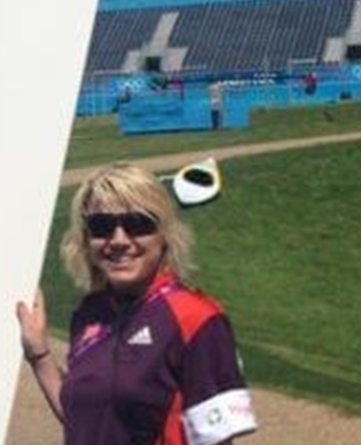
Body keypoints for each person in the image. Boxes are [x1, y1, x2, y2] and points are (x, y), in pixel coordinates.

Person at [16, 165, 257, 445]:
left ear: (164, 234)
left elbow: (217, 438)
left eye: (138, 224)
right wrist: (39, 354)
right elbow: (86, 424)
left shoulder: (197, 317)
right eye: (102, 226)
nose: (119, 240)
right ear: (86, 238)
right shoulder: (89, 314)